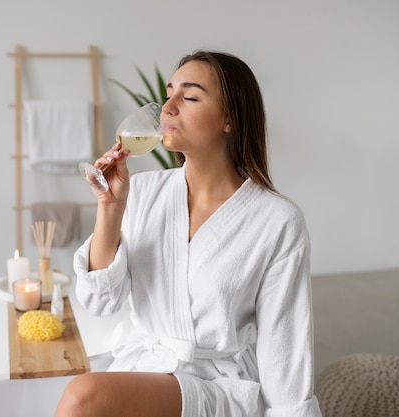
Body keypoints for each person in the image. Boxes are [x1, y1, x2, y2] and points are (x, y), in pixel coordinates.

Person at [55, 50, 322, 417]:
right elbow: (101, 301)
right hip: (149, 372)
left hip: (217, 386)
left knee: (83, 396)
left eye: (190, 97)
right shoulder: (144, 191)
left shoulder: (277, 220)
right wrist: (110, 207)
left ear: (230, 118)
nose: (168, 108)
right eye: (168, 94)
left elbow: (285, 344)